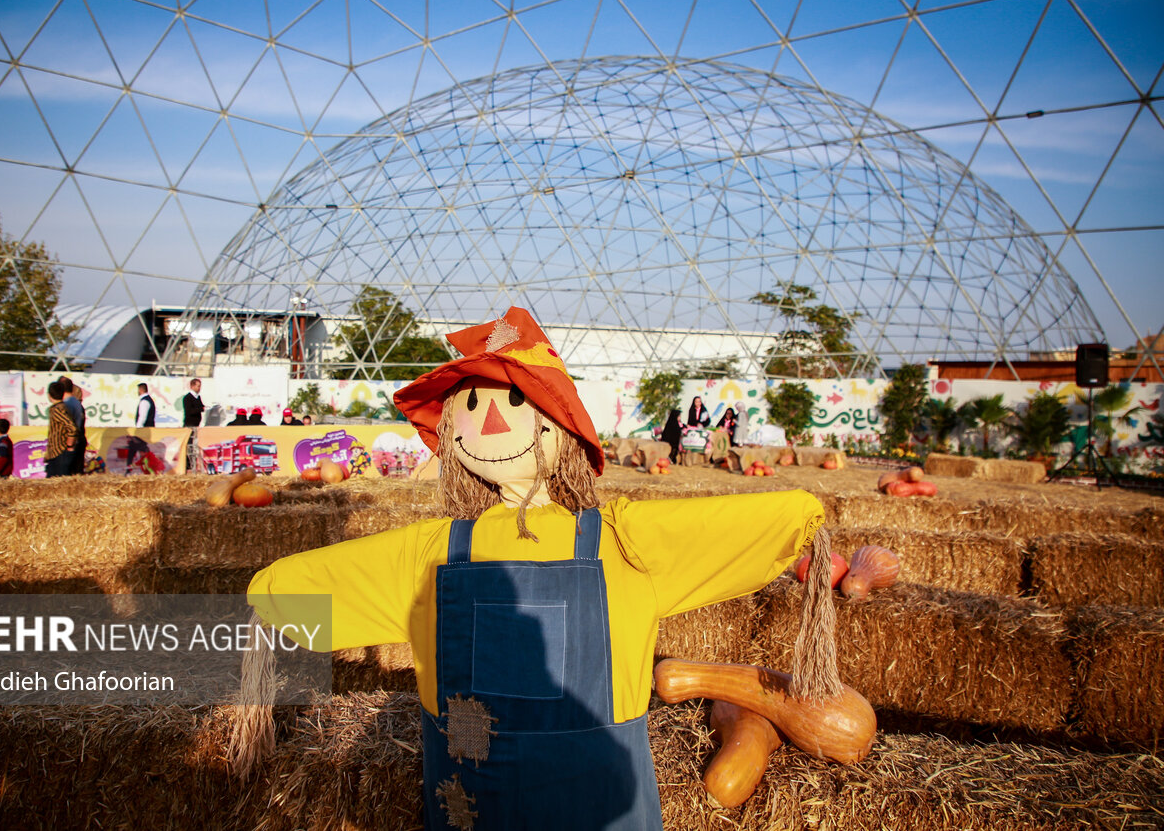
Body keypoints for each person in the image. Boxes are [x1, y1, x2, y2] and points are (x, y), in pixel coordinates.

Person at [242, 308, 827, 831]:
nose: (493, 422)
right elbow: (329, 580)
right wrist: (272, 592)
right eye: (471, 405)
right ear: (450, 431)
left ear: (562, 426)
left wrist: (798, 519)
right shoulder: (434, 550)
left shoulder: (623, 539)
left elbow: (727, 528)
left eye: (516, 402)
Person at [44, 381, 77, 478]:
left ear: (49, 395)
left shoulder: (57, 409)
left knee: (57, 480)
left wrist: (69, 444)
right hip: (56, 451)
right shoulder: (63, 407)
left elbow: (72, 427)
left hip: (59, 450)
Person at [58, 376, 87, 475]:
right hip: (77, 440)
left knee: (68, 473)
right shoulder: (77, 405)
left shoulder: (67, 404)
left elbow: (70, 428)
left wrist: (69, 446)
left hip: (72, 442)